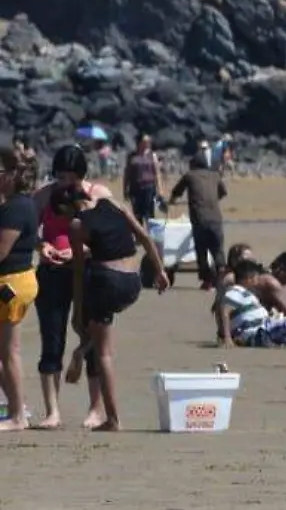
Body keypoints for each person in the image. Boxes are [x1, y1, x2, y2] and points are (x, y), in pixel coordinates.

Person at [55, 183, 171, 431]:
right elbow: (144, 236)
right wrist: (160, 270)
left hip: (107, 283)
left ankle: (113, 419)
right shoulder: (114, 204)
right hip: (134, 282)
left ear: (68, 207)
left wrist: (77, 311)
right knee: (100, 333)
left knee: (103, 353)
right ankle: (84, 346)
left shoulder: (77, 225)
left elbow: (77, 271)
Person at [31, 146, 110, 430]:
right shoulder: (43, 196)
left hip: (88, 272)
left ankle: (96, 408)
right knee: (52, 341)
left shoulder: (97, 194)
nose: (65, 183)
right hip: (52, 273)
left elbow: (111, 233)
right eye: (60, 177)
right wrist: (43, 246)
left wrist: (84, 251)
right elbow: (26, 230)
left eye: (71, 178)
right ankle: (52, 411)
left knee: (92, 341)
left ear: (81, 176)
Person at [0, 147, 39, 429]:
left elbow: (1, 251)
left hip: (11, 284)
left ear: (12, 174)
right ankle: (17, 407)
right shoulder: (13, 204)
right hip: (14, 280)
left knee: (9, 351)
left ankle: (17, 415)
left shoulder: (17, 207)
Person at [166, 152, 226, 289]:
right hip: (216, 218)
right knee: (218, 250)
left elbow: (176, 191)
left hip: (200, 219)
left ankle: (207, 281)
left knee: (202, 250)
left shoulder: (190, 175)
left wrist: (171, 201)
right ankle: (222, 278)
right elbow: (223, 192)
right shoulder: (215, 175)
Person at [122, 134, 162, 224]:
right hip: (135, 188)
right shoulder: (131, 156)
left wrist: (160, 191)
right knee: (137, 215)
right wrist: (124, 189)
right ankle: (140, 235)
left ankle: (150, 236)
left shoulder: (152, 155)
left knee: (150, 215)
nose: (147, 143)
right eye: (145, 142)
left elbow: (157, 173)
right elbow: (127, 173)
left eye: (148, 142)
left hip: (149, 188)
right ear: (139, 143)